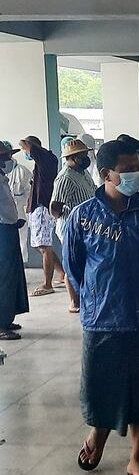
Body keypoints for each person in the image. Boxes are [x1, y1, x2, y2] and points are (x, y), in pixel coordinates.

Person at [63, 139, 139, 475]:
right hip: (101, 319)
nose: (134, 174)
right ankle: (98, 436)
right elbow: (73, 265)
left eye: (137, 167)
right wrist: (95, 296)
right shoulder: (83, 217)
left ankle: (137, 458)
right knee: (99, 386)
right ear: (106, 173)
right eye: (126, 170)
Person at [50, 139, 96, 313]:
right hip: (72, 227)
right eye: (83, 155)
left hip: (87, 226)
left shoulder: (83, 173)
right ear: (74, 158)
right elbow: (55, 206)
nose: (86, 158)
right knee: (72, 263)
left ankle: (84, 297)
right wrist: (65, 220)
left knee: (84, 262)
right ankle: (74, 301)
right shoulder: (65, 178)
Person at [19, 135, 66, 297]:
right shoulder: (43, 163)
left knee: (44, 247)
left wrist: (30, 146)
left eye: (27, 151)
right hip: (38, 208)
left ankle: (47, 284)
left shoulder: (45, 159)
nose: (25, 153)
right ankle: (62, 274)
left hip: (42, 208)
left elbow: (24, 143)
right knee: (43, 245)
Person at [0, 143, 28, 340]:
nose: (7, 160)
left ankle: (6, 318)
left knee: (12, 275)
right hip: (2, 231)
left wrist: (13, 220)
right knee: (3, 277)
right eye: (4, 157)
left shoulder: (3, 178)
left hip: (8, 229)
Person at [5, 141, 33, 264]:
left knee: (20, 242)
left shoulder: (23, 172)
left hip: (19, 212)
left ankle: (20, 264)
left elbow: (30, 194)